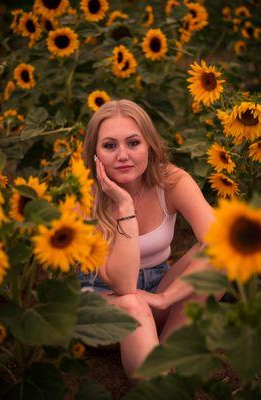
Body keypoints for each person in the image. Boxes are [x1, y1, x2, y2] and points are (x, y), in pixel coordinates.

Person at [79, 99, 214, 379]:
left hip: (156, 289)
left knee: (216, 257)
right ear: (95, 153)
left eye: (133, 143)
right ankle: (157, 384)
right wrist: (124, 206)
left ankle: (167, 360)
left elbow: (223, 242)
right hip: (102, 303)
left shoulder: (171, 181)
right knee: (133, 303)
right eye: (110, 146)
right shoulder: (84, 198)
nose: (123, 155)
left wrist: (166, 298)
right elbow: (124, 286)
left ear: (149, 145)